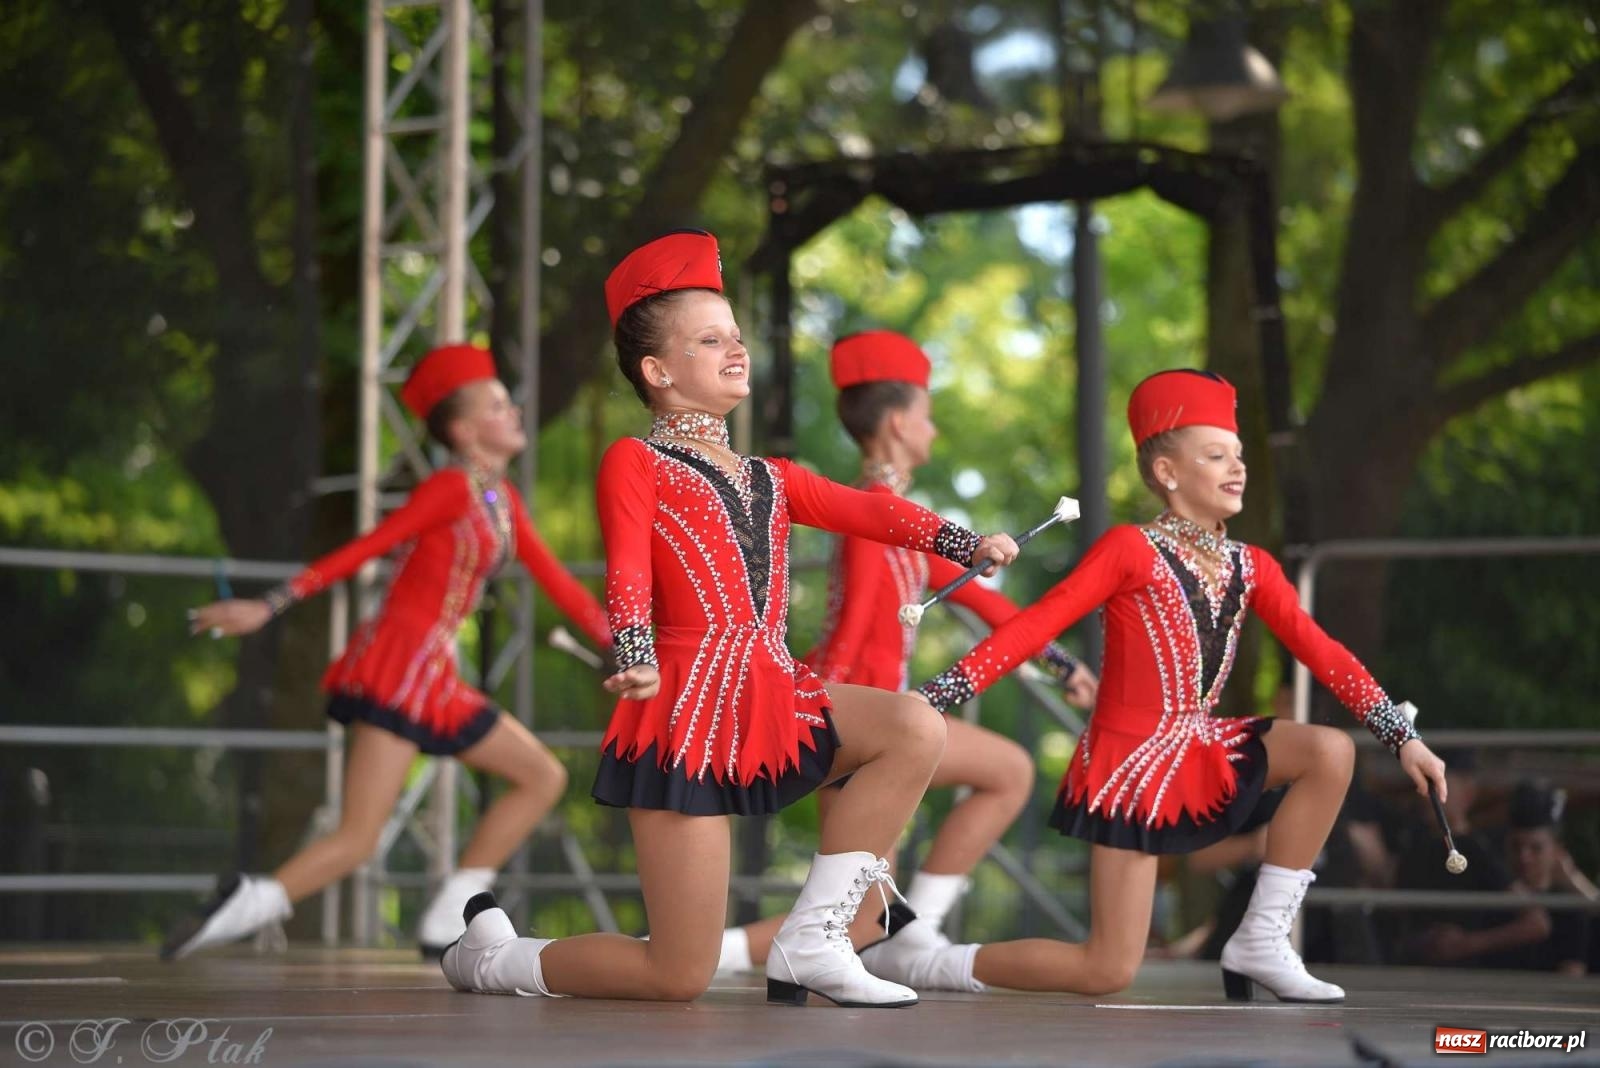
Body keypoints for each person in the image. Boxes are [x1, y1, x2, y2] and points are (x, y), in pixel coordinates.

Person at [440, 230, 1019, 1006]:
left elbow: (870, 511)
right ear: (657, 371)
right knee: (678, 975)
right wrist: (635, 646)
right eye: (710, 340)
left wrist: (963, 541)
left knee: (913, 726)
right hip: (680, 710)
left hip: (770, 691)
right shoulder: (636, 460)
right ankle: (494, 962)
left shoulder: (770, 477)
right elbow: (626, 565)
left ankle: (814, 940)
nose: (735, 350)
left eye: (737, 337)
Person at [872, 368, 1448, 1002]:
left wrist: (1403, 737)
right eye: (1214, 455)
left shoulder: (1251, 565)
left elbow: (1324, 652)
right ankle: (923, 966)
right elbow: (1033, 628)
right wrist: (935, 696)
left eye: (1238, 455)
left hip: (1202, 747)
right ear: (1168, 473)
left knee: (1329, 751)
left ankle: (1261, 938)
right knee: (1107, 971)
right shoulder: (1130, 549)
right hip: (1131, 768)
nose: (1236, 467)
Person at [164, 343, 614, 960]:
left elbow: (559, 582)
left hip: (433, 674)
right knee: (357, 838)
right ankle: (246, 903)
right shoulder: (452, 487)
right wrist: (270, 605)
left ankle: (447, 916)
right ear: (463, 429)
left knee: (540, 775)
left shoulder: (500, 500)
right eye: (499, 404)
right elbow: (369, 546)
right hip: (400, 668)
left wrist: (633, 643)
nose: (515, 413)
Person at [718, 330, 1098, 977]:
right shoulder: (875, 519)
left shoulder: (895, 517)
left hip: (887, 721)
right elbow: (850, 639)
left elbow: (991, 607)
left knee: (1006, 771)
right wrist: (824, 734)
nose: (934, 428)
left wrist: (1063, 663)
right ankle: (702, 954)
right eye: (926, 414)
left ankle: (915, 931)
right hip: (853, 726)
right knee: (858, 916)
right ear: (897, 423)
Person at [1388, 751, 1552, 969]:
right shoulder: (1413, 846)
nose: (1426, 793)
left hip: (1463, 978)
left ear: (1467, 791)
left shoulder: (1476, 850)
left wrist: (1469, 943)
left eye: (1435, 782)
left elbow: (1536, 923)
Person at [1482, 779, 1589, 975]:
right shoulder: (1492, 900)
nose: (1524, 857)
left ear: (1556, 850)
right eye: (1516, 846)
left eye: (1536, 848)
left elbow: (1572, 975)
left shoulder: (1568, 909)